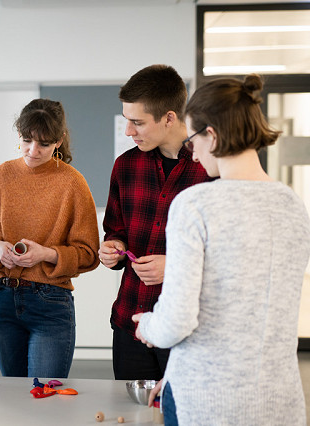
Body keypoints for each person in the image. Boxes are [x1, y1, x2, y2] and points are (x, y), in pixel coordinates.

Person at [133, 74, 310, 425]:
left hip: (209, 403)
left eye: (193, 139)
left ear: (211, 135)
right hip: (279, 400)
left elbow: (175, 323)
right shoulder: (293, 204)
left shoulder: (195, 205)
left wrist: (148, 325)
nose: (192, 152)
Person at [0, 98, 100, 378]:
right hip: (5, 298)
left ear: (59, 141)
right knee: (13, 398)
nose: (33, 150)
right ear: (19, 134)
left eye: (43, 143)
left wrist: (47, 254)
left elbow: (89, 253)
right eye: (27, 140)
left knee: (46, 401)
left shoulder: (72, 183)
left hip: (51, 303)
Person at [98, 65, 211, 380]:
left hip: (188, 328)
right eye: (126, 121)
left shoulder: (210, 169)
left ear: (170, 118)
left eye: (137, 123)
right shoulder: (126, 166)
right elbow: (116, 230)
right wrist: (113, 247)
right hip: (130, 321)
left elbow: (228, 253)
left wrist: (174, 264)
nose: (128, 132)